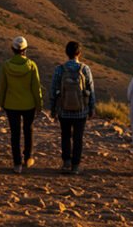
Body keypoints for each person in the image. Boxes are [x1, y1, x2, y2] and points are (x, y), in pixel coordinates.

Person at [48, 41, 96, 175]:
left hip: (63, 110)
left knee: (65, 135)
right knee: (78, 138)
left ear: (66, 53)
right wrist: (92, 108)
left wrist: (53, 109)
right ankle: (75, 165)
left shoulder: (60, 69)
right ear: (79, 53)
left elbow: (53, 89)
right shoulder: (85, 69)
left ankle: (66, 162)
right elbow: (91, 89)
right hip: (81, 111)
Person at [0, 36, 42, 174]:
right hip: (28, 104)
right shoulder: (31, 65)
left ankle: (17, 163)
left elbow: (3, 86)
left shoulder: (6, 65)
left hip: (11, 104)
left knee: (15, 133)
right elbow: (36, 87)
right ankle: (28, 157)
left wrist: (1, 103)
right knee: (28, 130)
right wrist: (39, 104)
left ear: (12, 49)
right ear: (25, 49)